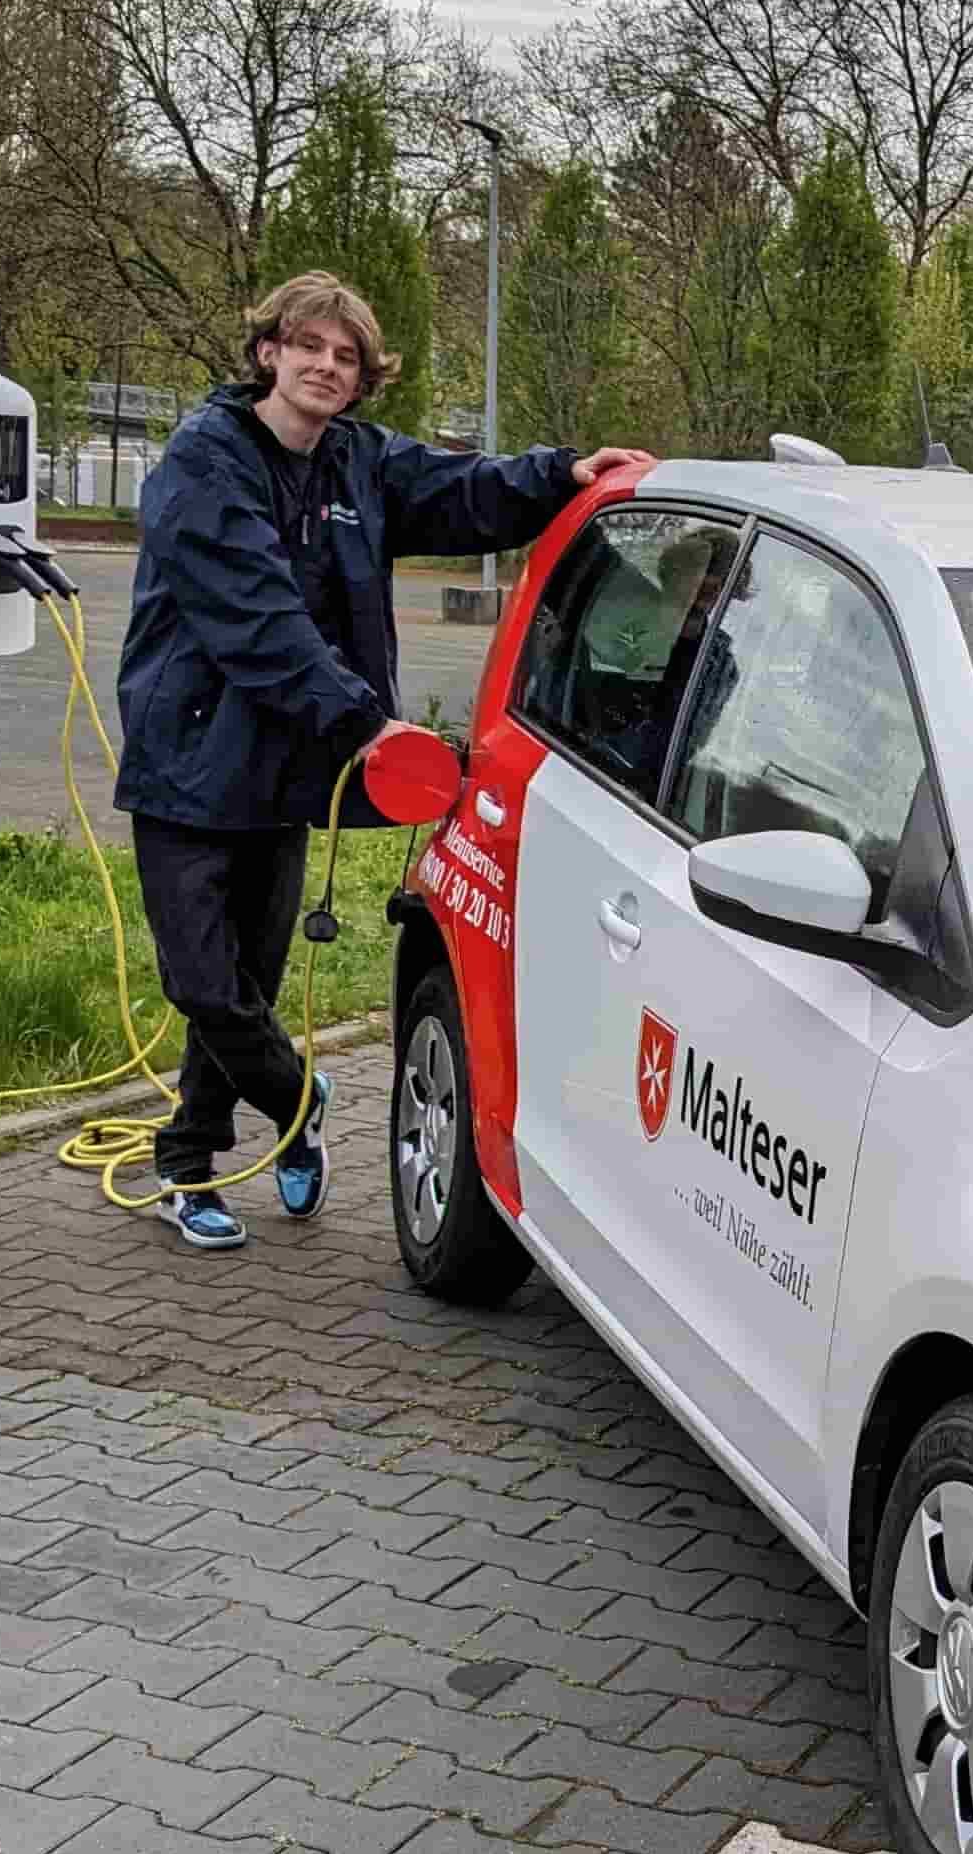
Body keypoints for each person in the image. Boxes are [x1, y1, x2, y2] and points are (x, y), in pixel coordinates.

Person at [113, 269, 650, 1249]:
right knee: (202, 981)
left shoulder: (358, 462)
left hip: (287, 769)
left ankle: (188, 1165)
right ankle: (297, 1100)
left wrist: (564, 474)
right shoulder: (204, 462)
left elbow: (462, 490)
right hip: (188, 759)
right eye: (308, 346)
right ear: (268, 351)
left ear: (363, 378)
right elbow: (257, 617)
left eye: (347, 356)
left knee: (249, 980)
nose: (327, 366)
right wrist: (367, 726)